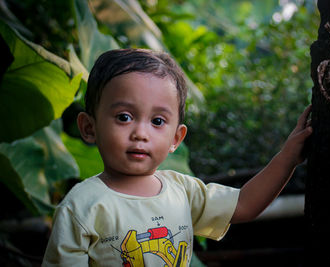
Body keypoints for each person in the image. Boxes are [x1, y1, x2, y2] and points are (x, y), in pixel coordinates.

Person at [42, 48, 312, 266]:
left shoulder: (182, 191)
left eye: (157, 121)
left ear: (175, 139)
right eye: (124, 117)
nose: (140, 133)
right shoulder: (80, 207)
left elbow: (244, 205)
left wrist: (288, 157)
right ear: (89, 128)